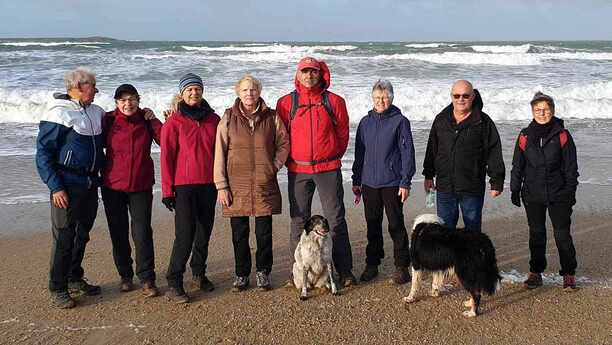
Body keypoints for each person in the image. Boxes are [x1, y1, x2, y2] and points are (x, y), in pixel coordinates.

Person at [276, 56, 356, 287]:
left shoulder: (335, 101)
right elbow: (280, 137)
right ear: (298, 75)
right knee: (298, 221)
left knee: (336, 220)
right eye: (305, 71)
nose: (309, 76)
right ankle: (298, 274)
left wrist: (331, 155)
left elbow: (342, 135)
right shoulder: (285, 103)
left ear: (321, 74)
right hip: (298, 170)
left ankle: (345, 271)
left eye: (313, 71)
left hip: (328, 168)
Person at [36, 67, 105, 308]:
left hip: (89, 184)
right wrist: (55, 187)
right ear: (77, 88)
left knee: (82, 235)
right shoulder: (59, 112)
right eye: (92, 86)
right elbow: (43, 154)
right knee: (64, 237)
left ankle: (74, 277)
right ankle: (57, 287)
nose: (96, 90)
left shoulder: (96, 112)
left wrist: (146, 113)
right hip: (66, 186)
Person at [214, 75, 290, 292]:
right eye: (245, 90)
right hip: (235, 183)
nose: (250, 93)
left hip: (263, 182)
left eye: (254, 89)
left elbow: (284, 143)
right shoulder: (228, 117)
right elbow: (219, 151)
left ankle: (263, 272)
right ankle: (241, 274)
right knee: (239, 233)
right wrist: (221, 185)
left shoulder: (272, 116)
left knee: (264, 232)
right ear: (238, 92)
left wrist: (274, 166)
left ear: (259, 92)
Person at [510, 92, 579, 291]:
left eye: (546, 109)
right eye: (538, 109)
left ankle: (568, 274)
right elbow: (518, 165)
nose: (542, 113)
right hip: (532, 194)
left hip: (559, 195)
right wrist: (515, 189)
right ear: (532, 112)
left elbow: (571, 168)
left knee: (562, 236)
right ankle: (536, 272)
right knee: (537, 235)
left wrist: (569, 192)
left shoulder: (563, 135)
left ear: (553, 110)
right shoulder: (524, 135)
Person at [161, 73, 220, 303]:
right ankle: (174, 281)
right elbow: (167, 158)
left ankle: (199, 273)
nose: (194, 93)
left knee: (204, 233)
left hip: (209, 185)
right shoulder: (173, 122)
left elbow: (221, 153)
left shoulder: (214, 120)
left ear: (202, 91)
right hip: (184, 187)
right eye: (189, 90)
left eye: (197, 89)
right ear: (182, 94)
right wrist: (168, 191)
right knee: (184, 235)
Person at [351, 80, 415, 284]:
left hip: (392, 182)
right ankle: (372, 264)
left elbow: (407, 154)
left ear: (392, 98)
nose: (381, 101)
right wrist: (356, 179)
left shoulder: (400, 121)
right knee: (373, 225)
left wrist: (405, 182)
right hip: (369, 183)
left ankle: (402, 266)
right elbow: (359, 153)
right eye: (378, 98)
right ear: (372, 99)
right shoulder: (365, 122)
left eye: (385, 97)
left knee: (396, 224)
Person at [101, 84, 162, 298]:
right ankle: (125, 276)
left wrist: (154, 119)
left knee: (143, 232)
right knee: (118, 232)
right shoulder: (107, 120)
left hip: (141, 185)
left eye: (132, 99)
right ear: (117, 103)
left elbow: (165, 139)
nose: (128, 104)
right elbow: (91, 143)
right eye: (123, 100)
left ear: (138, 100)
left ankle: (147, 278)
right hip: (112, 186)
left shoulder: (146, 120)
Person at [422, 80, 505, 232]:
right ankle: (450, 257)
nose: (461, 99)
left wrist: (497, 181)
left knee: (472, 233)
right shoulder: (441, 120)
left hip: (471, 187)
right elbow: (432, 149)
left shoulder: (483, 122)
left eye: (465, 96)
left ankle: (472, 257)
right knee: (445, 232)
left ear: (473, 97)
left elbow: (494, 152)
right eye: (457, 95)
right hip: (444, 187)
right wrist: (428, 175)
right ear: (451, 96)